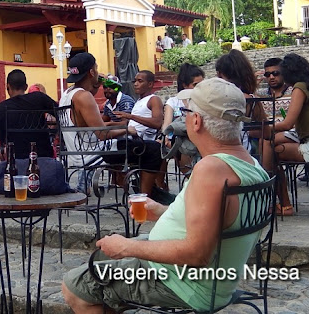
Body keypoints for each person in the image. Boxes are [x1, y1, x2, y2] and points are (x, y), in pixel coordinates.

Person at [62, 78, 269, 314]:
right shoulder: (252, 165)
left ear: (197, 121)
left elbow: (197, 254)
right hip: (203, 277)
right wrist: (162, 212)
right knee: (101, 257)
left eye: (186, 111)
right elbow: (222, 221)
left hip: (183, 283)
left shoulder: (211, 170)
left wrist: (127, 247)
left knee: (74, 287)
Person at [59, 54, 162, 195]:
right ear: (91, 71)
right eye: (96, 68)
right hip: (95, 153)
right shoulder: (84, 97)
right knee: (153, 149)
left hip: (75, 151)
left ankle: (142, 191)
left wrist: (97, 80)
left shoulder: (67, 94)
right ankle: (145, 197)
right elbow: (102, 134)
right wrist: (127, 130)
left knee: (138, 147)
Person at [261, 53, 309, 216]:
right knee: (272, 145)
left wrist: (265, 127)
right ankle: (270, 187)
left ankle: (274, 195)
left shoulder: (300, 87)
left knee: (270, 146)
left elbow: (288, 123)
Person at [112, 70, 164, 193]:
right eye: (134, 81)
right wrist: (109, 124)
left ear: (150, 84)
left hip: (142, 144)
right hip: (131, 139)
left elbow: (157, 123)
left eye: (140, 81)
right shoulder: (138, 101)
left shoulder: (153, 99)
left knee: (114, 146)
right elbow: (131, 124)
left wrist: (130, 116)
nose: (135, 84)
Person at [0, 69, 58, 159]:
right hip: (43, 155)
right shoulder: (39, 98)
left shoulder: (0, 108)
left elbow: (2, 137)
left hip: (15, 159)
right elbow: (61, 114)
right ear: (25, 87)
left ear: (7, 86)